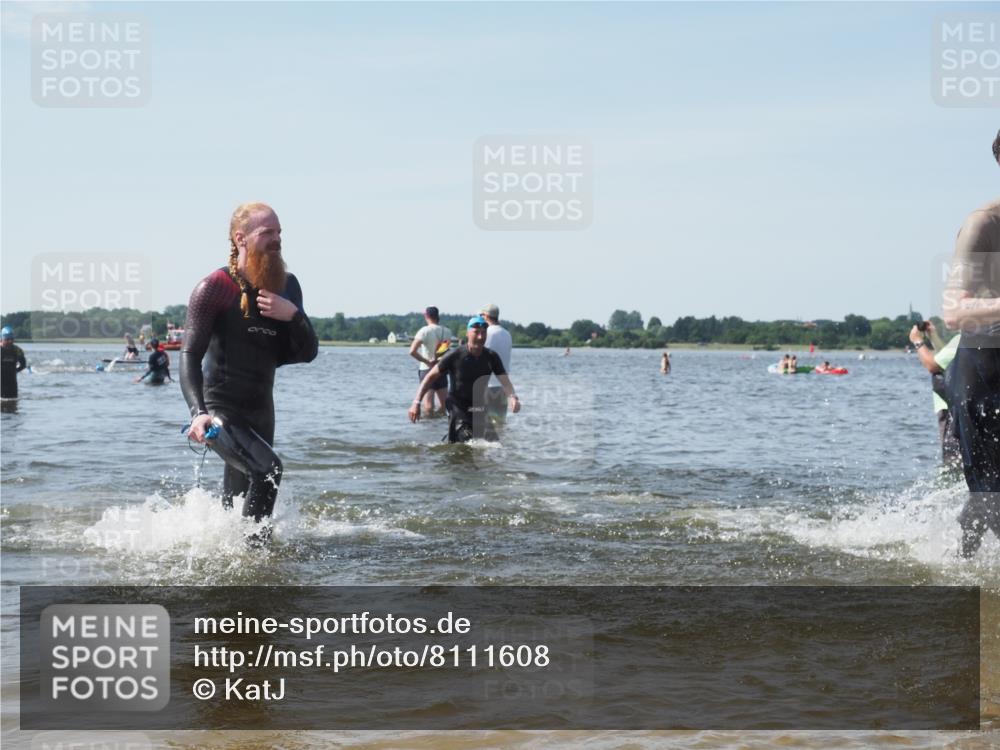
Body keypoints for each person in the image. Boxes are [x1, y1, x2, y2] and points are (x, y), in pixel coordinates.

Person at [180, 202, 318, 539]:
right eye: (267, 232)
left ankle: (229, 553)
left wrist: (293, 316)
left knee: (239, 499)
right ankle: (256, 558)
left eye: (279, 232)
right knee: (268, 470)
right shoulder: (214, 287)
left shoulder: (288, 286)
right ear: (240, 238)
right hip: (220, 413)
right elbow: (188, 355)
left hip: (261, 412)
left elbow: (306, 353)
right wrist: (199, 413)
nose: (277, 239)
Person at [941, 130, 1000, 557]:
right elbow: (954, 312)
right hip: (982, 372)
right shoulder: (983, 225)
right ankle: (963, 565)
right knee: (990, 497)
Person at [409, 315, 520, 442]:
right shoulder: (454, 355)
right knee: (466, 437)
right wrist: (416, 403)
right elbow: (429, 377)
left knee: (487, 442)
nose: (480, 337)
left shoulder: (491, 357)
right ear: (468, 333)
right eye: (476, 333)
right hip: (457, 406)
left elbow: (505, 381)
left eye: (483, 333)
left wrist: (513, 397)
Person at [908, 322, 961, 468]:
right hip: (965, 407)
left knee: (953, 461)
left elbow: (932, 365)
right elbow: (947, 358)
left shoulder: (964, 339)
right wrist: (934, 337)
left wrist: (917, 341)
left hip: (951, 410)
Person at [409, 306, 451, 415]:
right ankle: (439, 428)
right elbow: (445, 350)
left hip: (427, 369)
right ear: (438, 317)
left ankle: (429, 428)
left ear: (426, 316)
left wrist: (427, 361)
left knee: (428, 406)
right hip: (441, 369)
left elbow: (412, 351)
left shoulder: (424, 331)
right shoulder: (447, 331)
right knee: (444, 406)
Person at [480, 303, 513, 421]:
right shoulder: (507, 333)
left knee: (483, 424)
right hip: (503, 385)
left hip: (486, 384)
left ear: (486, 316)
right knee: (500, 422)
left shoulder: (486, 333)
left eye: (481, 315)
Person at [1, 326, 27, 399]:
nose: (9, 342)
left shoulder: (17, 350)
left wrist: (16, 370)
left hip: (12, 381)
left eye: (11, 339)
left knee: (13, 401)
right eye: (7, 339)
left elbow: (23, 364)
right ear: (2, 339)